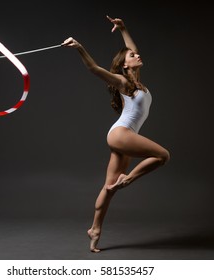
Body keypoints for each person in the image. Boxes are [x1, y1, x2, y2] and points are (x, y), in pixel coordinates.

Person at [62, 15, 170, 252]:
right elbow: (94, 68)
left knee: (108, 187)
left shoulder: (138, 83)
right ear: (124, 65)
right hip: (121, 134)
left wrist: (123, 28)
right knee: (163, 156)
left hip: (122, 136)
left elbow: (132, 47)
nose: (137, 55)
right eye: (132, 56)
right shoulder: (122, 81)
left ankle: (95, 229)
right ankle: (127, 180)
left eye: (136, 54)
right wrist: (79, 47)